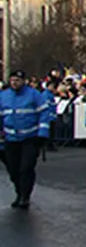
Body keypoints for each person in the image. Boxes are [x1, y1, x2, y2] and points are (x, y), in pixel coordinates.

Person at [1, 70, 52, 209]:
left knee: (26, 168)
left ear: (23, 81)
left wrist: (42, 133)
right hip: (11, 139)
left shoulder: (34, 95)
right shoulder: (3, 96)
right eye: (12, 80)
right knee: (13, 169)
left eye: (17, 80)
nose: (14, 83)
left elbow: (44, 113)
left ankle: (25, 196)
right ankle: (19, 192)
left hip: (30, 138)